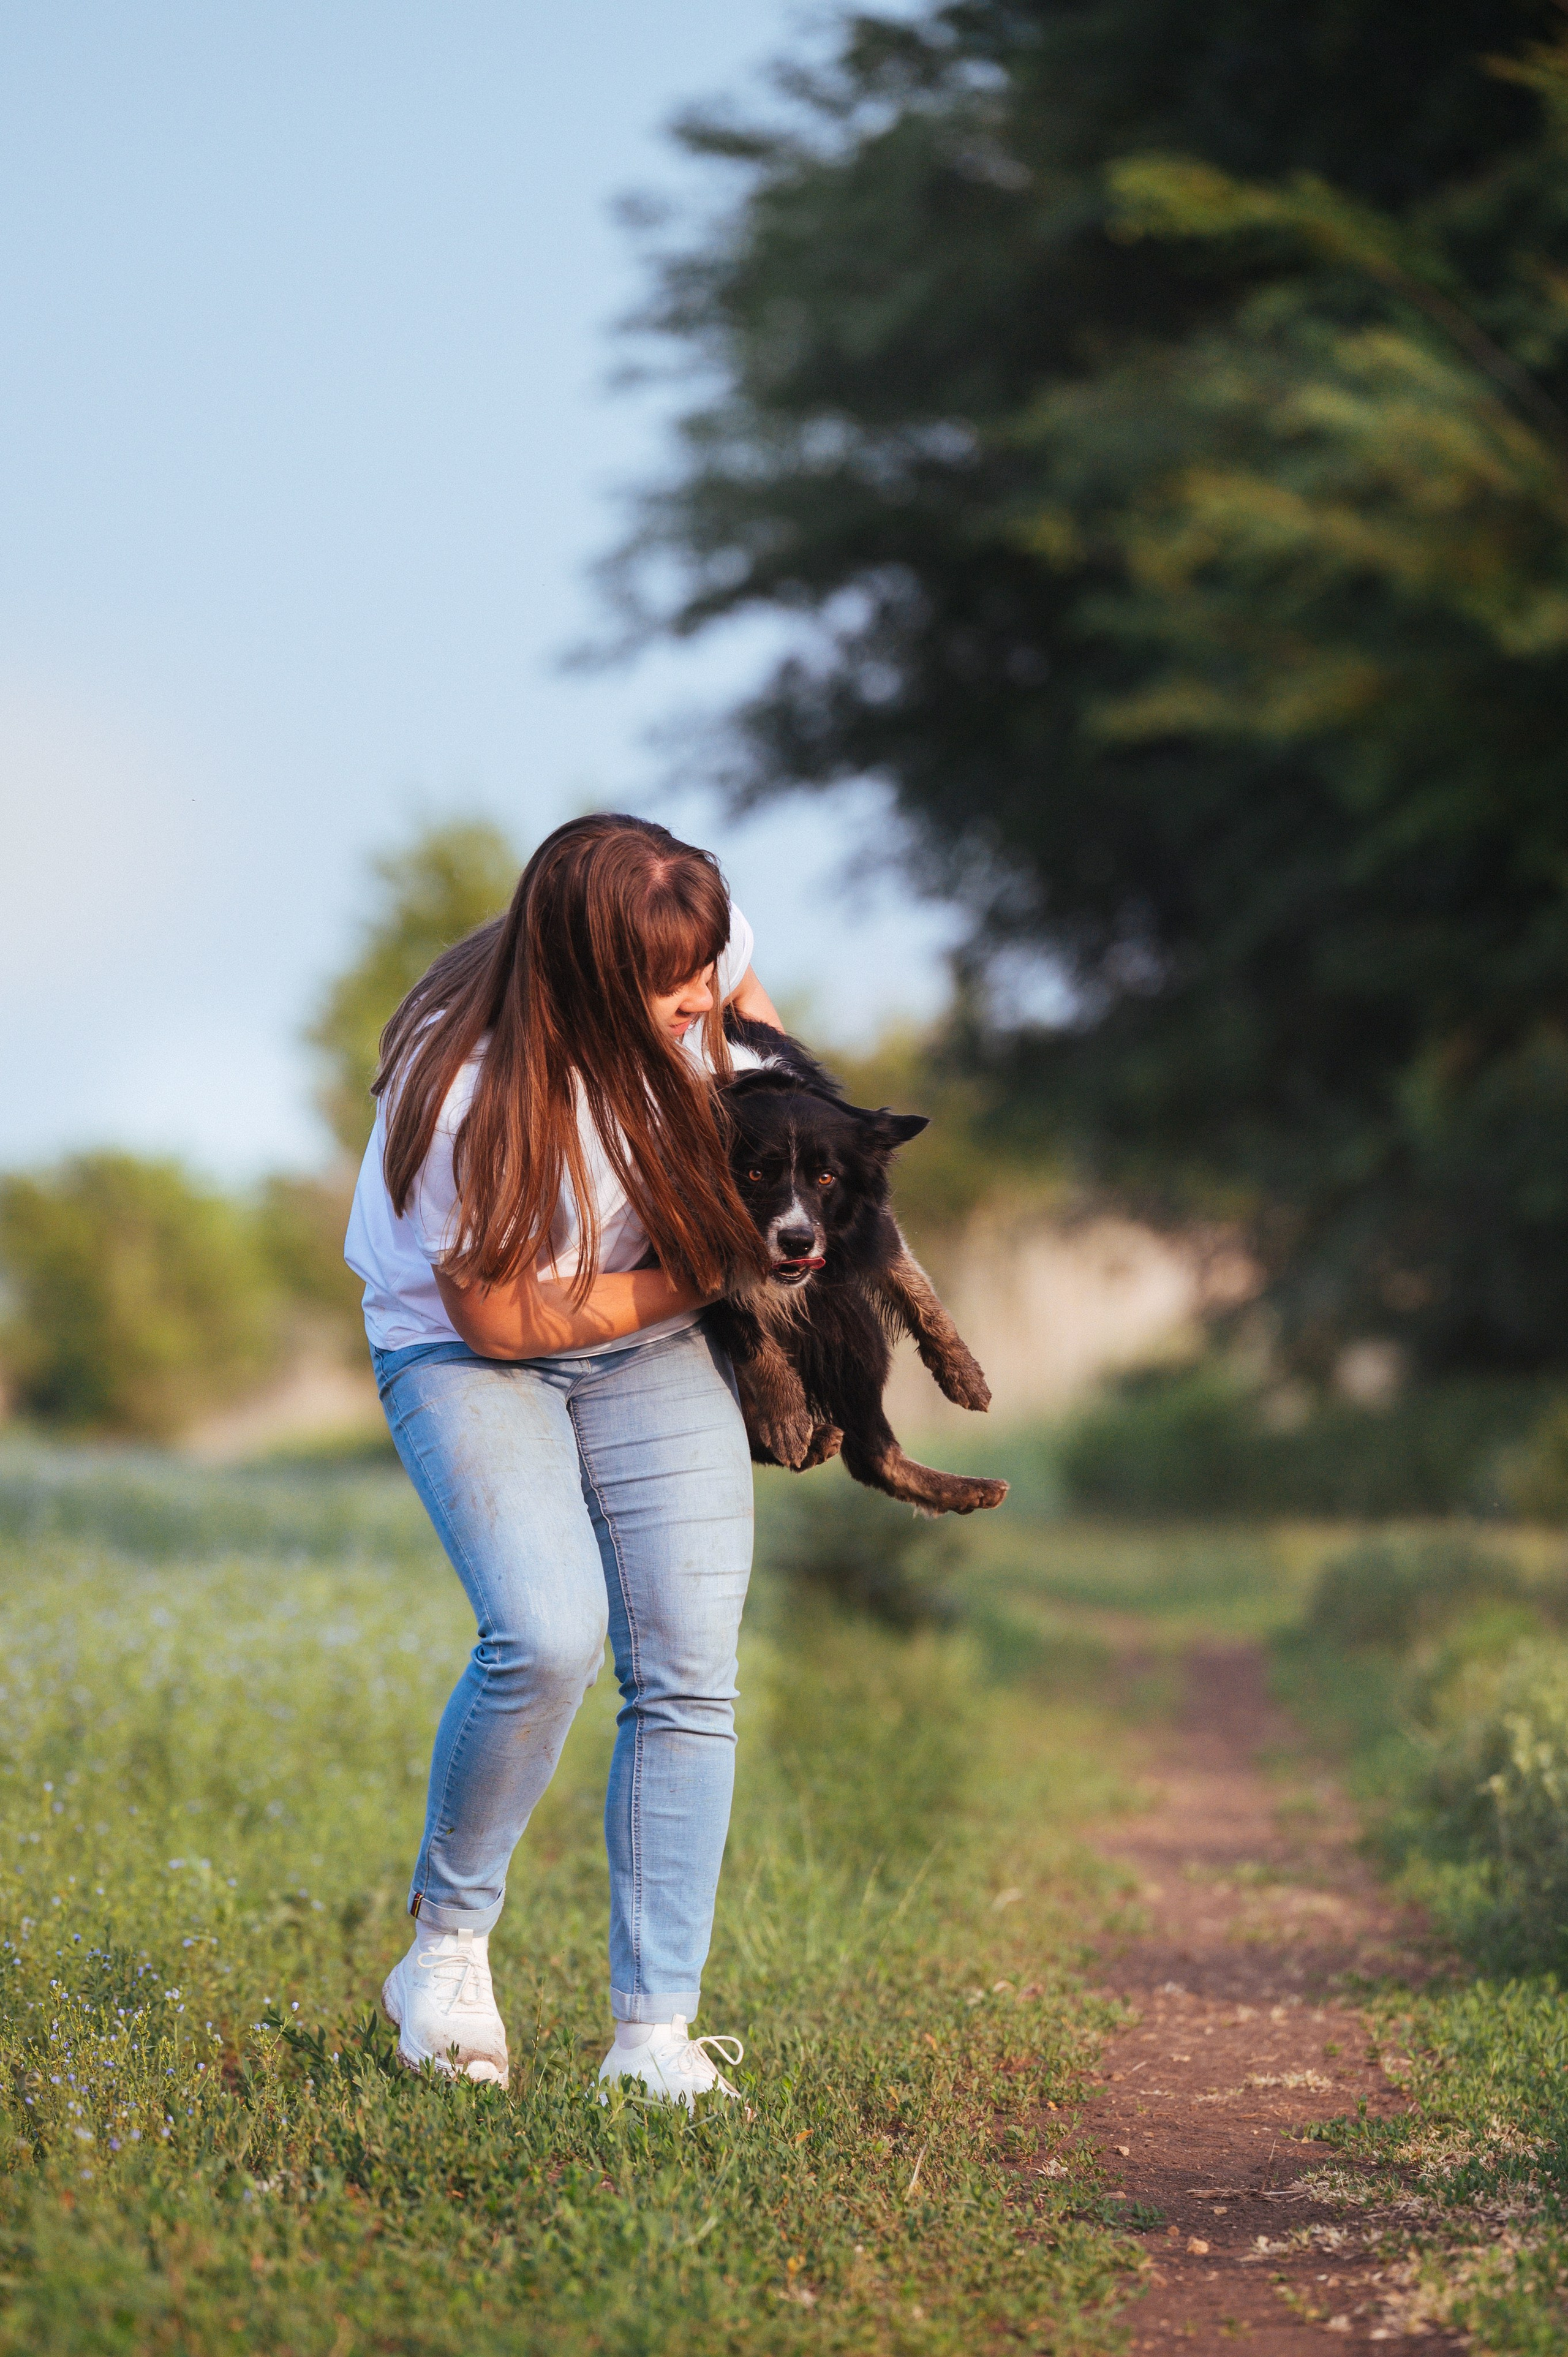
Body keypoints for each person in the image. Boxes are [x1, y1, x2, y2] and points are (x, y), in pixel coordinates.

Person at [344, 812, 783, 2106]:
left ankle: (654, 2035)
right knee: (544, 1635)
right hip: (469, 1349)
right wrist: (700, 1279)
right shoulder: (463, 1081)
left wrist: (772, 1117)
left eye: (703, 966)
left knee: (690, 1665)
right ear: (584, 981)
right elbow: (499, 1314)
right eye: (668, 986)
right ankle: (445, 1951)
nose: (696, 999)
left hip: (643, 1334)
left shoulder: (695, 956)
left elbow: (751, 1010)